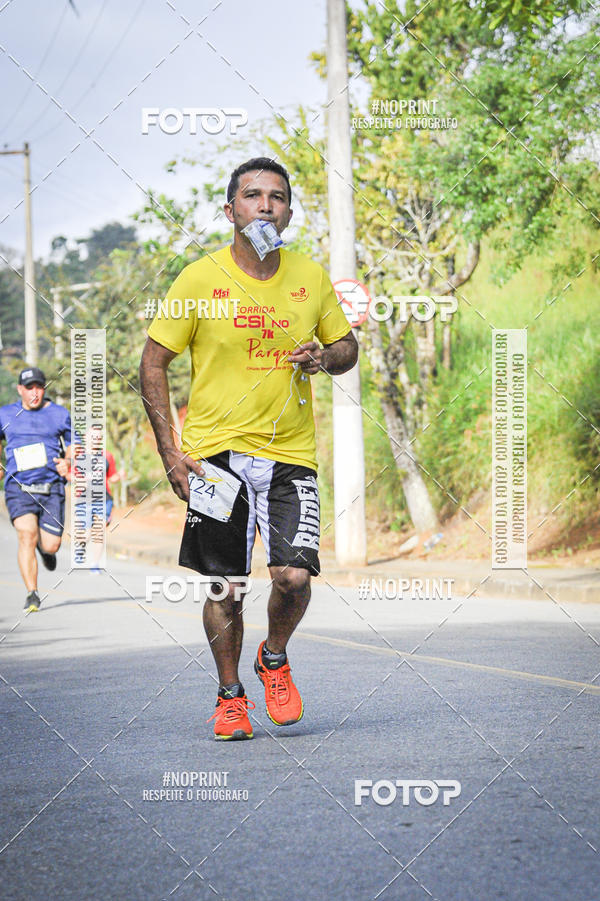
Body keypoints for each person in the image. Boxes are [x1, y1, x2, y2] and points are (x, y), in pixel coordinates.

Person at [140, 157, 357, 741]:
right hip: (215, 457)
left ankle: (275, 657)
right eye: (253, 195)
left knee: (294, 578)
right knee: (225, 586)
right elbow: (153, 363)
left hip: (292, 454)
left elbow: (347, 348)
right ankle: (230, 695)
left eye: (278, 197)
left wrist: (324, 357)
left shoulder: (310, 278)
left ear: (289, 210)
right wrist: (170, 451)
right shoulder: (196, 280)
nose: (266, 205)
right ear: (230, 209)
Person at [0, 367, 72, 611]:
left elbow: (74, 446)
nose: (34, 392)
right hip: (18, 487)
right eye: (29, 387)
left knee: (51, 545)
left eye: (39, 387)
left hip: (51, 487)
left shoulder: (60, 415)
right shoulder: (5, 414)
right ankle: (32, 593)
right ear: (20, 389)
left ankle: (46, 551)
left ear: (44, 388)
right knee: (26, 534)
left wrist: (68, 461)